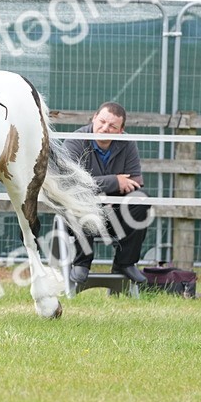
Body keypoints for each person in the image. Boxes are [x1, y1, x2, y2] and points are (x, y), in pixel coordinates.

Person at [64, 101, 150, 288]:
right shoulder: (75, 141)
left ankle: (125, 263)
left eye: (112, 126)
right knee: (79, 198)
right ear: (94, 118)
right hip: (78, 216)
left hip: (114, 215)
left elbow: (134, 183)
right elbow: (70, 183)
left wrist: (97, 185)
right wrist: (114, 182)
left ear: (121, 130)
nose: (105, 128)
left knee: (141, 199)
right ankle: (81, 262)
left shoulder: (127, 143)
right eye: (102, 121)